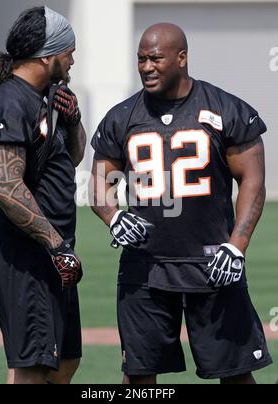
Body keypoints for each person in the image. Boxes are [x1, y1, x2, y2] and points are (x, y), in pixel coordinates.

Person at [90, 23, 272, 384]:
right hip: (145, 270)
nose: (146, 67)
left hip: (213, 264)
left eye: (155, 58)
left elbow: (253, 181)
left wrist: (237, 246)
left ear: (182, 58)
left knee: (236, 375)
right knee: (139, 376)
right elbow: (99, 181)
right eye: (140, 59)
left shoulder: (227, 109)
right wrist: (112, 217)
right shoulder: (122, 116)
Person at [0, 6, 86, 384]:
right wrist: (56, 246)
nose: (73, 59)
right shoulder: (8, 101)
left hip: (53, 252)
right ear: (48, 54)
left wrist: (73, 122)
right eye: (69, 51)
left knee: (67, 360)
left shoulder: (51, 94)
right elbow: (6, 187)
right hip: (25, 254)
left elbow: (72, 157)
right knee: (32, 369)